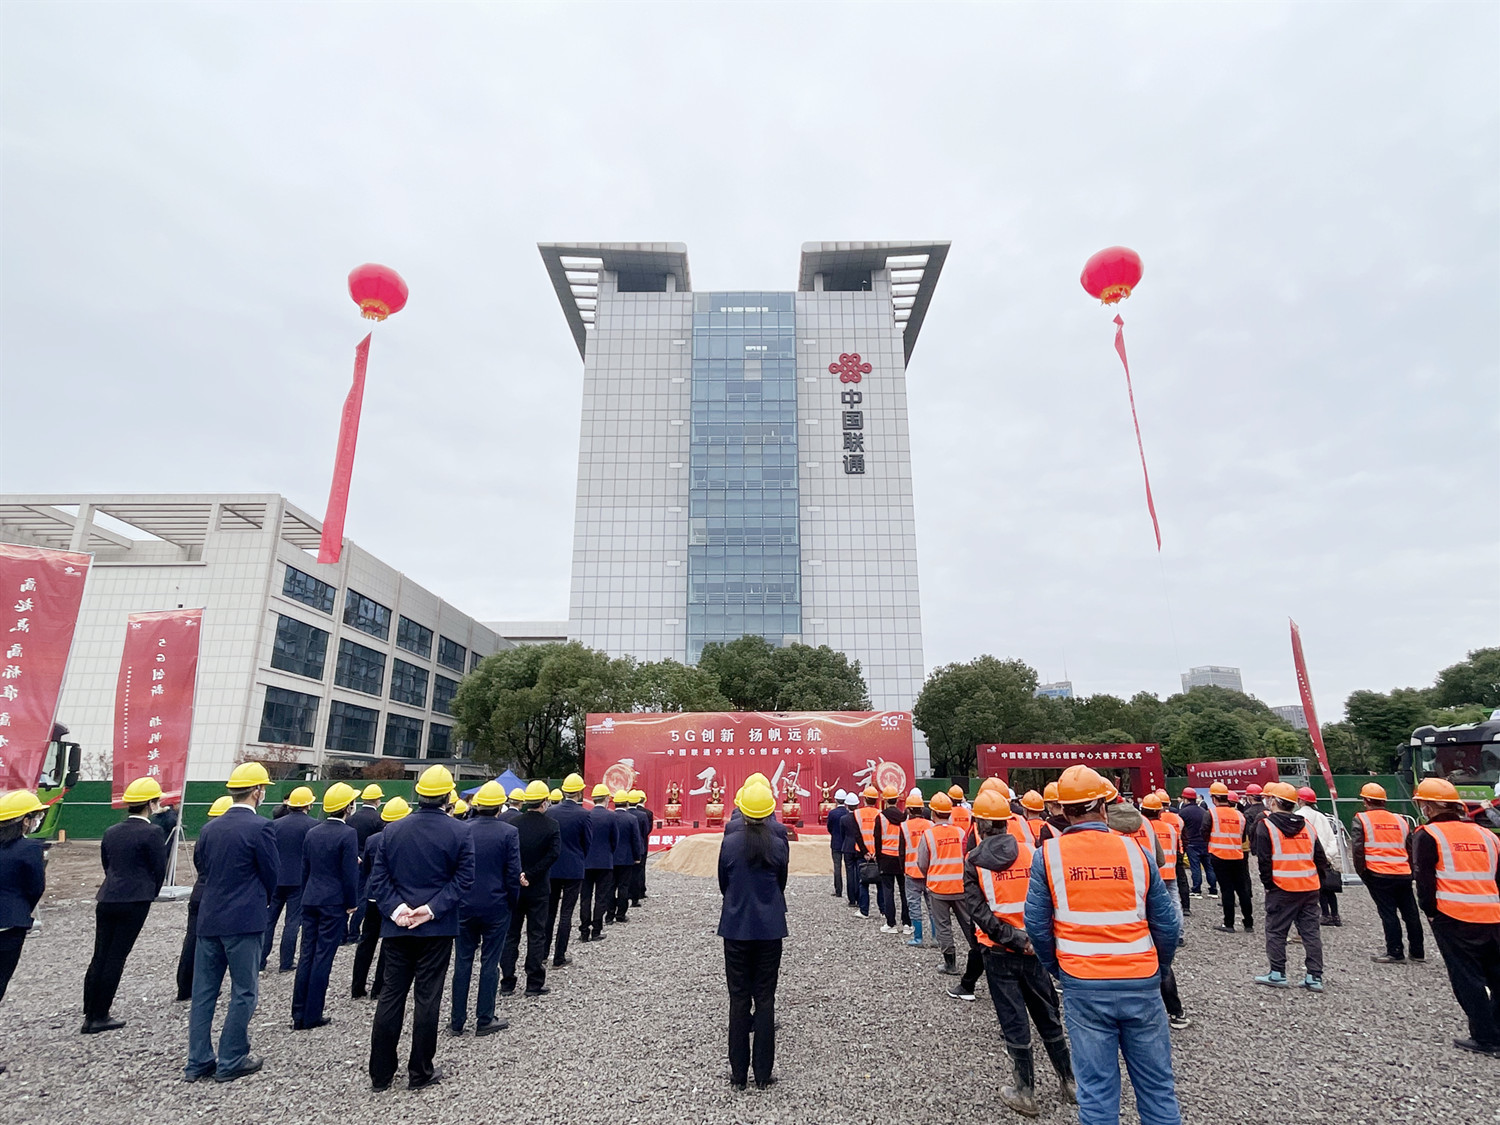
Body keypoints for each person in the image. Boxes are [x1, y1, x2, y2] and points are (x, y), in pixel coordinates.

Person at [1025, 766, 1182, 1125]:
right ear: (1104, 805)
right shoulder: (1136, 853)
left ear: (1063, 810)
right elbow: (1167, 924)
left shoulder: (1048, 856)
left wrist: (1059, 968)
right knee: (1157, 1088)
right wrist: (1160, 966)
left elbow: (1036, 925)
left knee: (1096, 1093)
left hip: (1083, 981)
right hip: (1140, 979)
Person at [963, 787, 1075, 1115]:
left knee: (1014, 1020)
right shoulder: (1032, 852)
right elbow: (1047, 899)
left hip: (998, 952)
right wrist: (1031, 938)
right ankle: (1070, 1082)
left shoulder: (974, 863)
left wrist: (1011, 937)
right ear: (1007, 823)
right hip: (1033, 948)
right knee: (1048, 1015)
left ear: (979, 826)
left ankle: (1025, 1091)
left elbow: (979, 913)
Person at [367, 765, 475, 1092]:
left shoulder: (392, 831)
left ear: (418, 794)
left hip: (397, 927)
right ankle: (420, 1072)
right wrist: (430, 910)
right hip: (436, 929)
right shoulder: (460, 832)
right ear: (447, 796)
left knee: (390, 997)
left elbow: (378, 880)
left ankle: (381, 1074)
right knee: (428, 999)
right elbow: (464, 880)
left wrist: (398, 910)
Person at [184, 762, 280, 1084]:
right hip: (244, 920)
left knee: (204, 992)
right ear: (257, 792)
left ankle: (197, 1060)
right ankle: (232, 1057)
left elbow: (202, 867)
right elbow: (271, 873)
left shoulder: (210, 828)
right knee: (244, 990)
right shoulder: (261, 828)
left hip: (210, 918)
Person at [1411, 777, 1500, 1057]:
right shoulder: (1488, 835)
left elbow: (1424, 880)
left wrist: (1431, 913)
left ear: (1427, 806)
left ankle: (1486, 1037)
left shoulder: (1427, 834)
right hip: (1493, 914)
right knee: (1497, 976)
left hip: (1453, 915)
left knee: (1467, 978)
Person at [716, 781, 789, 1090]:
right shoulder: (778, 842)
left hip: (735, 928)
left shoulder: (730, 842)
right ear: (769, 810)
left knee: (738, 998)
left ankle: (738, 1074)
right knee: (765, 997)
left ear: (742, 810)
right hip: (770, 928)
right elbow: (781, 882)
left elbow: (724, 883)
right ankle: (763, 1074)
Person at [83, 776, 169, 1034]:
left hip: (108, 896)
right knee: (116, 956)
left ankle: (89, 1011)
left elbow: (106, 863)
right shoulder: (153, 832)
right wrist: (150, 893)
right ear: (151, 804)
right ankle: (101, 1015)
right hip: (135, 899)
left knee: (100, 954)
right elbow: (159, 869)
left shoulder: (112, 831)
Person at [451, 781, 521, 1037]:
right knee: (490, 963)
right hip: (496, 905)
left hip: (464, 905)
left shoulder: (462, 829)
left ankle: (457, 1020)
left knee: (462, 961)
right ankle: (485, 1017)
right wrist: (512, 901)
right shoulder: (508, 833)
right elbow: (513, 873)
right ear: (500, 807)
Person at [291, 783, 359, 1031]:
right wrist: (352, 902)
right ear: (347, 808)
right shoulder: (348, 834)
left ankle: (298, 1012)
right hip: (334, 901)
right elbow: (349, 873)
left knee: (307, 954)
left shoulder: (313, 832)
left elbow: (305, 868)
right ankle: (312, 1013)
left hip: (311, 897)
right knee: (323, 957)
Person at [1251, 782, 1330, 992]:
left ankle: (1277, 973)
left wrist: (1268, 885)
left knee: (1276, 930)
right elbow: (1320, 859)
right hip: (1309, 887)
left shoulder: (1266, 825)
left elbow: (1264, 861)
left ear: (1274, 801)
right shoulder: (1308, 826)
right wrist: (1318, 882)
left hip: (1281, 887)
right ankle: (1314, 976)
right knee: (1310, 933)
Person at [0, 790, 48, 1076]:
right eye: (34, 816)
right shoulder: (29, 849)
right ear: (24, 821)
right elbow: (35, 888)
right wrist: (20, 910)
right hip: (9, 926)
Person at [918, 792, 984, 1000]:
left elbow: (922, 862)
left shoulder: (928, 835)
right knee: (968, 923)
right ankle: (979, 954)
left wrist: (931, 874)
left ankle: (950, 963)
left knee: (943, 925)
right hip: (960, 885)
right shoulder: (960, 831)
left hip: (938, 887)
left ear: (934, 813)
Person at [1351, 782, 1424, 964]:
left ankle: (1395, 952)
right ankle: (1418, 952)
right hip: (1403, 872)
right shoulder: (1401, 820)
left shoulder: (1361, 819)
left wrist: (1362, 873)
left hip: (1378, 873)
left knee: (1388, 913)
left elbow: (1358, 850)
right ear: (1384, 801)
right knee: (1410, 913)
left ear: (1366, 800)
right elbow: (1410, 848)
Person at [501, 780, 561, 997]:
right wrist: (532, 874)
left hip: (515, 887)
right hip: (538, 888)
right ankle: (534, 983)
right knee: (537, 934)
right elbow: (553, 854)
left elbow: (507, 854)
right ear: (545, 802)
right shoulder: (551, 825)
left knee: (511, 934)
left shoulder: (513, 824)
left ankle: (507, 982)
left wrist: (518, 874)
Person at [1141, 794, 1191, 1029]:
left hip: (1145, 885)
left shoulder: (1138, 829)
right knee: (1174, 908)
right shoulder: (1170, 827)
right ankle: (1175, 1011)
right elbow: (1179, 848)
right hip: (1167, 873)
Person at [352, 797, 409, 1000]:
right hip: (392, 898)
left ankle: (357, 986)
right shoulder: (403, 840)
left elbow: (366, 868)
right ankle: (379, 988)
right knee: (387, 943)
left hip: (372, 895)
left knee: (366, 941)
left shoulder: (372, 839)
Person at [176, 796, 233, 1001]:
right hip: (215, 895)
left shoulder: (204, 836)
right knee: (210, 945)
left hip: (199, 892)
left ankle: (184, 986)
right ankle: (204, 986)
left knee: (190, 941)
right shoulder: (228, 839)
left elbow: (200, 865)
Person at [262, 785, 317, 973]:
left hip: (276, 878)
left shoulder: (275, 824)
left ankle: (260, 960)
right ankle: (286, 962)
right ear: (309, 804)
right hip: (299, 880)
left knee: (269, 920)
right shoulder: (313, 825)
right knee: (292, 922)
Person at [544, 773, 592, 968]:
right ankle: (559, 956)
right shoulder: (584, 814)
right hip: (573, 869)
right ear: (580, 792)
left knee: (549, 913)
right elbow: (587, 843)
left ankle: (542, 953)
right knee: (566, 914)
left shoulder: (551, 812)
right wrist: (579, 857)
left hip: (552, 868)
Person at [1207, 783, 1252, 933]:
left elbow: (1204, 832)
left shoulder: (1211, 813)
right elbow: (1244, 835)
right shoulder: (1240, 815)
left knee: (1227, 890)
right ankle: (1248, 923)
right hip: (1238, 855)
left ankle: (1229, 923)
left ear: (1214, 798)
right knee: (1242, 889)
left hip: (1219, 855)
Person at [1295, 787, 1342, 927]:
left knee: (1317, 889)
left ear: (1300, 800)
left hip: (1308, 858)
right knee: (1329, 888)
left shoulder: (1298, 816)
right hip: (1325, 858)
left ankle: (1324, 915)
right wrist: (1328, 856)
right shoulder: (1321, 816)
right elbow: (1331, 838)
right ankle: (1335, 915)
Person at [345, 784, 384, 943]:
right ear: (377, 800)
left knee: (354, 895)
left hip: (354, 860)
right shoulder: (378, 819)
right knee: (365, 898)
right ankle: (356, 931)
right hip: (370, 861)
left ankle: (347, 933)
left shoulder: (352, 817)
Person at [580, 784, 618, 943]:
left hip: (586, 862)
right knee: (601, 897)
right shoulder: (611, 817)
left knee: (585, 897)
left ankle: (583, 930)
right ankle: (596, 930)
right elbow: (615, 840)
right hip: (604, 862)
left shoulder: (586, 815)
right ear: (607, 799)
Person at [874, 786, 909, 934]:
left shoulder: (881, 817)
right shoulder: (904, 817)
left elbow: (877, 839)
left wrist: (878, 857)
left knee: (888, 891)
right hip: (901, 858)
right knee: (904, 891)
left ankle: (891, 923)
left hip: (886, 858)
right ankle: (907, 923)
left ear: (885, 800)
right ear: (897, 799)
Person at [900, 790, 932, 946]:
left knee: (914, 906)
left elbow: (901, 851)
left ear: (909, 810)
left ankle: (918, 938)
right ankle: (936, 938)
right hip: (930, 873)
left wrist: (903, 869)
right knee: (932, 907)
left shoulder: (904, 826)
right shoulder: (931, 825)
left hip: (911, 872)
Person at [608, 789, 641, 924]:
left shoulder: (609, 817)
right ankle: (621, 914)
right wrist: (637, 856)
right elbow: (635, 839)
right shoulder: (631, 819)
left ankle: (609, 915)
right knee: (623, 887)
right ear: (627, 803)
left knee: (610, 887)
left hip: (611, 858)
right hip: (626, 858)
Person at [1177, 787, 1216, 898]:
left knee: (1195, 867)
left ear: (1185, 799)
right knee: (1209, 867)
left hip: (1192, 843)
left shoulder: (1183, 813)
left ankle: (1196, 890)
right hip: (1204, 843)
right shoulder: (1204, 812)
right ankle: (1213, 890)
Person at [632, 788, 656, 902]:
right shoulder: (648, 813)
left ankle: (630, 892)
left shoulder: (628, 812)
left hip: (629, 845)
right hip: (643, 844)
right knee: (641, 869)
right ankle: (640, 890)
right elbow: (648, 830)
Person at [826, 788, 850, 899]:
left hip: (836, 842)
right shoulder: (848, 813)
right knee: (850, 868)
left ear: (835, 800)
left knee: (837, 867)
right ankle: (851, 892)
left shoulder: (832, 813)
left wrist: (835, 835)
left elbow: (829, 827)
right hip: (847, 843)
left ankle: (838, 890)